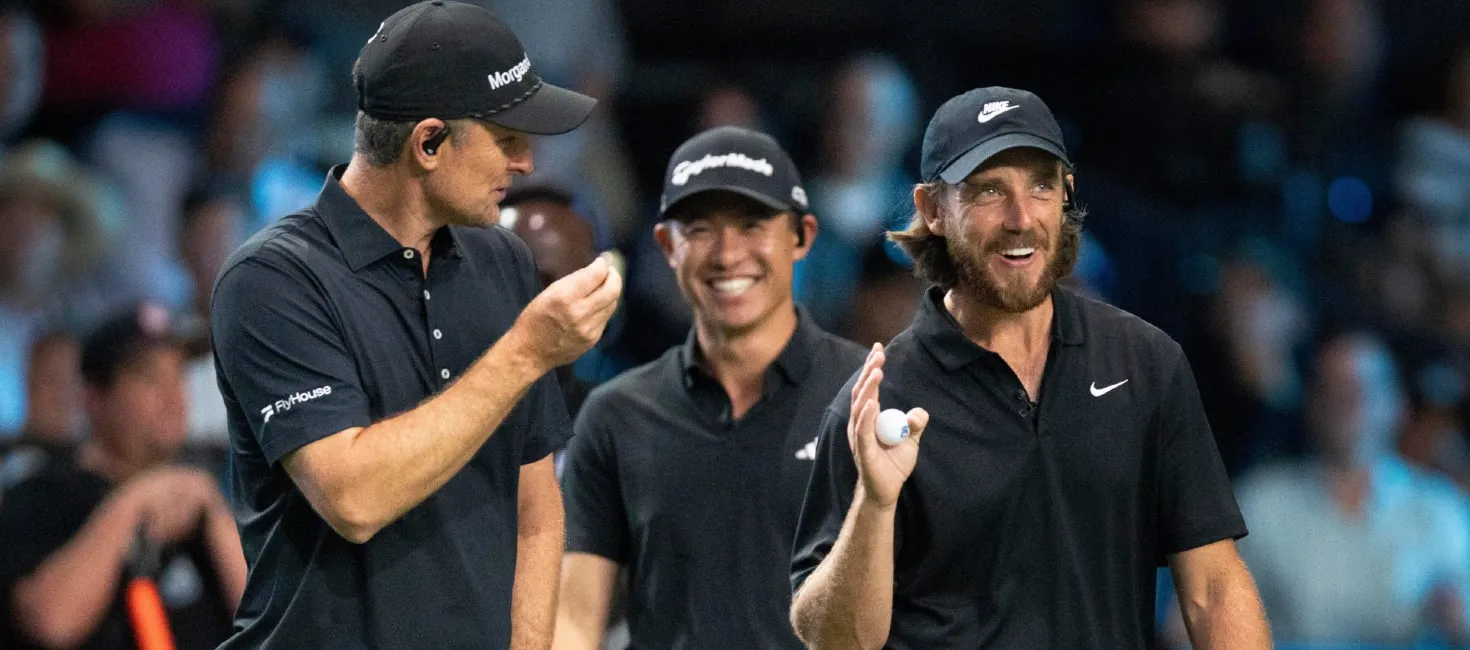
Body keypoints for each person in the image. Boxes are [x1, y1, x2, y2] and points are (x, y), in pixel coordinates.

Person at [788, 87, 1271, 648]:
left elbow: (1214, 588)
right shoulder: (876, 401)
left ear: (1066, 195)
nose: (1021, 218)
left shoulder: (1144, 363)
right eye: (989, 190)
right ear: (933, 210)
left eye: (1041, 185)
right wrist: (874, 504)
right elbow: (837, 640)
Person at [208, 2, 620, 647]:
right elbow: (354, 500)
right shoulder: (271, 281)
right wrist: (524, 353)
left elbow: (536, 509)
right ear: (428, 144)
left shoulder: (503, 261)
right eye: (507, 139)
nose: (525, 164)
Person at [555, 126, 866, 648]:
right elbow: (573, 622)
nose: (726, 254)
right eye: (700, 229)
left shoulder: (866, 396)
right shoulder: (616, 416)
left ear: (802, 236)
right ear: (666, 246)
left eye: (752, 224)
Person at [0, 303, 245, 649]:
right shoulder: (41, 493)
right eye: (149, 378)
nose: (172, 396)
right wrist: (132, 501)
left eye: (178, 375)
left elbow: (273, 623)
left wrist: (213, 510)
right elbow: (50, 623)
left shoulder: (198, 495)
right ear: (95, 399)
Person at [1234, 332, 1470, 645]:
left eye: (1363, 389)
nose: (1347, 404)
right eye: (1333, 389)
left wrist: (1457, 620)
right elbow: (1200, 621)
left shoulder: (1444, 510)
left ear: (1397, 406)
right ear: (1313, 404)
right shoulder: (1261, 505)